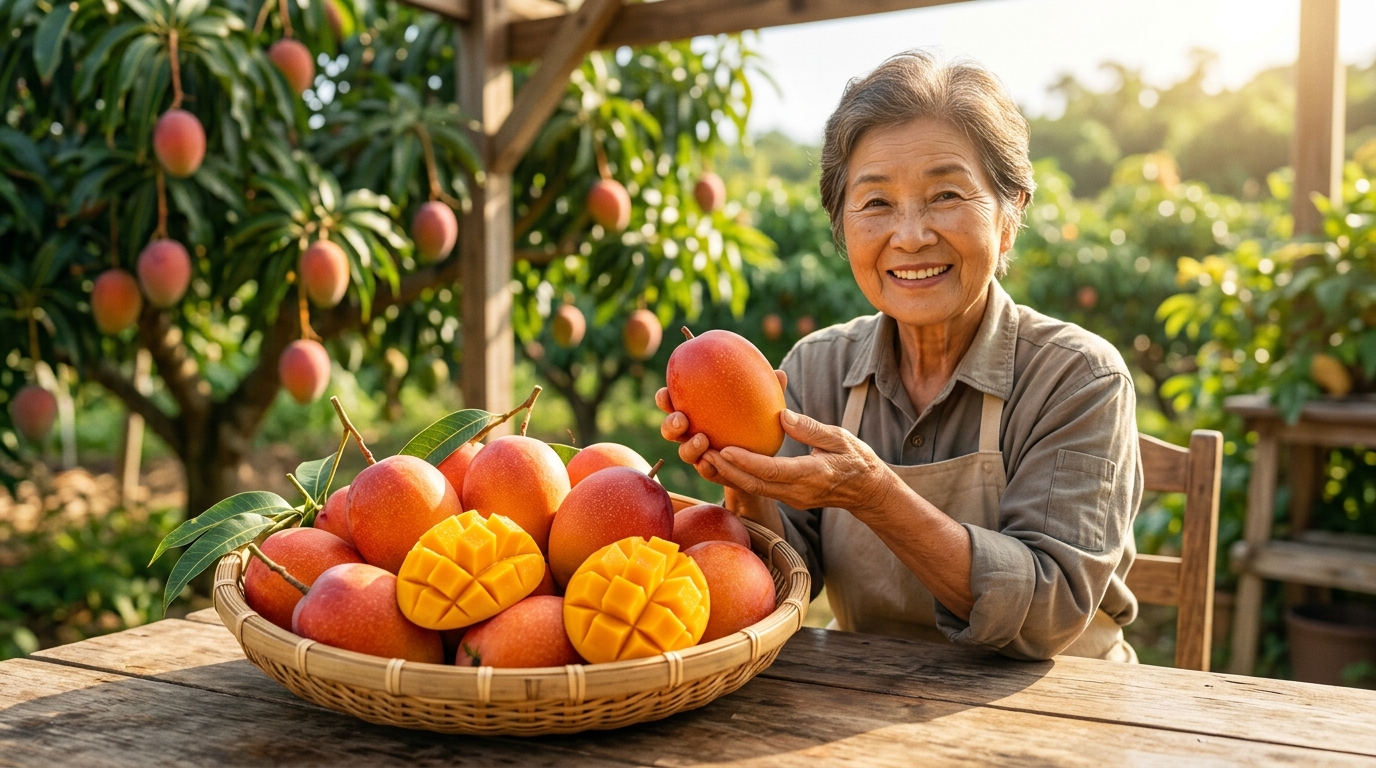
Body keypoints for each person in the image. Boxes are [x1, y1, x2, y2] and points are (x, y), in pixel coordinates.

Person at [657, 50, 1142, 662]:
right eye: (876, 203)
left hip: (1063, 699)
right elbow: (788, 579)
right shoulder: (817, 368)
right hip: (867, 696)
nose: (910, 236)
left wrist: (873, 494)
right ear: (841, 225)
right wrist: (744, 482)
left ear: (1010, 213)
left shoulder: (1079, 378)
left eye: (946, 194)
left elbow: (1049, 613)